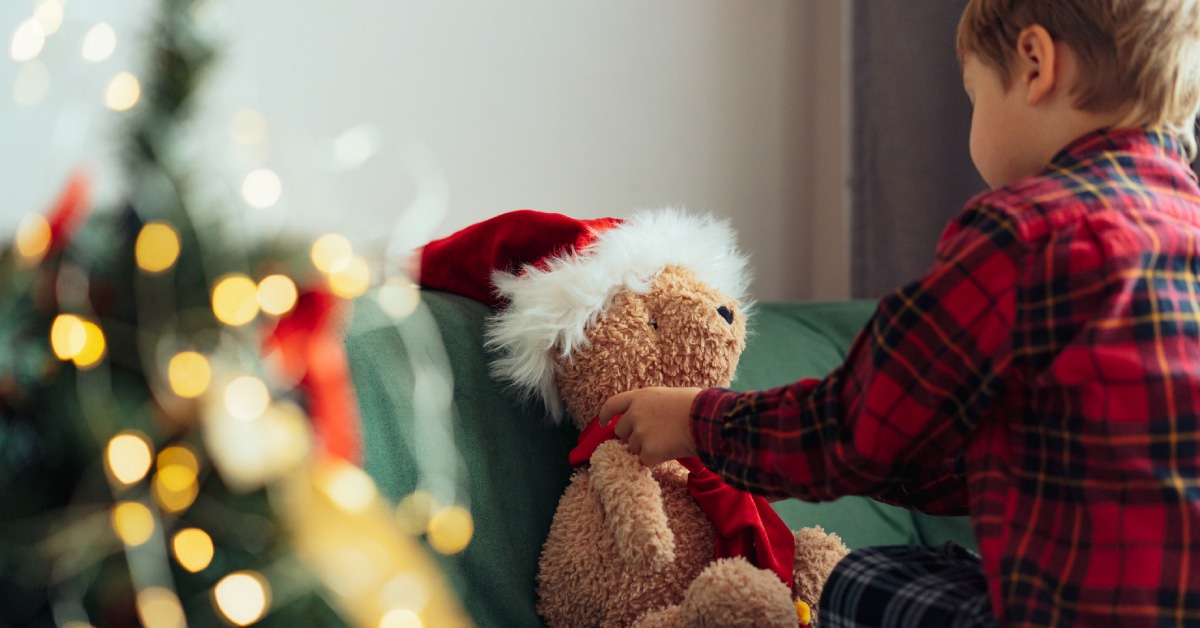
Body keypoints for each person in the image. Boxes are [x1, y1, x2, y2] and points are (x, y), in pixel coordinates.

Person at [598, 1, 1200, 625]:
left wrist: (698, 422)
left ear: (1034, 64)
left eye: (973, 95)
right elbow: (1018, 466)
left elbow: (849, 428)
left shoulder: (1026, 233)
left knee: (860, 580)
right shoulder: (1183, 231)